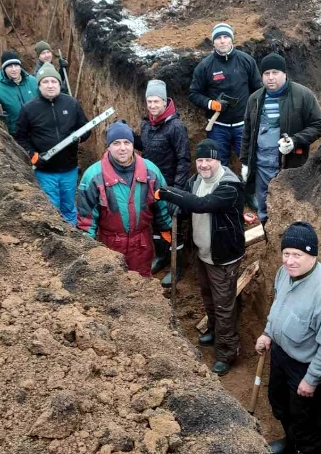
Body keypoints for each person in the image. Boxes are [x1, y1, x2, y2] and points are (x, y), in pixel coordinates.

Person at [254, 222, 321, 454]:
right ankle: (291, 443)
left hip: (305, 366)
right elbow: (278, 307)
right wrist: (267, 333)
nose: (289, 261)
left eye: (297, 254)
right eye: (286, 253)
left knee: (306, 422)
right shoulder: (284, 274)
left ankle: (305, 448)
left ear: (312, 255)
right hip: (281, 355)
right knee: (280, 405)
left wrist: (312, 379)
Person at [156, 139, 245, 375]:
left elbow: (203, 204)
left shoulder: (230, 186)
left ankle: (228, 352)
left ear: (219, 160)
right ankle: (215, 333)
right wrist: (179, 205)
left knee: (224, 306)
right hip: (202, 252)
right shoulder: (196, 180)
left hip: (223, 257)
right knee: (208, 298)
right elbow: (188, 195)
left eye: (209, 160)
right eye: (200, 160)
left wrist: (168, 195)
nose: (204, 165)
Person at [77, 122, 172, 277]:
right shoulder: (93, 176)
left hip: (141, 243)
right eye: (116, 143)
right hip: (109, 245)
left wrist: (166, 228)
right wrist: (87, 248)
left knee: (142, 285)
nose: (122, 148)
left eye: (127, 142)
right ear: (108, 146)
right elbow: (87, 219)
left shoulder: (150, 171)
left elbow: (161, 205)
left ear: (133, 144)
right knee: (113, 286)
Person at [241, 53, 321, 223]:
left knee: (290, 209)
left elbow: (318, 125)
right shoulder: (255, 99)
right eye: (266, 74)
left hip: (290, 165)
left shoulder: (303, 95)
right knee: (264, 209)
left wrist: (295, 141)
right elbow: (248, 132)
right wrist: (244, 162)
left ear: (284, 73)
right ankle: (269, 242)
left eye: (275, 72)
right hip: (261, 166)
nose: (271, 78)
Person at [15, 64, 89, 225]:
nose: (50, 85)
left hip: (69, 169)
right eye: (45, 82)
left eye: (53, 81)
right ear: (39, 85)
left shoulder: (71, 104)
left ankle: (73, 240)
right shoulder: (29, 109)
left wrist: (79, 137)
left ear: (59, 83)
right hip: (45, 171)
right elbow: (19, 138)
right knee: (52, 209)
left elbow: (86, 129)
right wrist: (33, 156)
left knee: (69, 207)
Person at [189, 23, 262, 167]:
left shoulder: (246, 61)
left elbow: (258, 90)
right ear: (213, 42)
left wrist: (254, 115)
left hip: (244, 125)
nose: (222, 41)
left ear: (232, 39)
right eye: (218, 38)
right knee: (218, 166)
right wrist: (211, 104)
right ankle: (224, 189)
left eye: (226, 37)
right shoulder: (205, 66)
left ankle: (250, 189)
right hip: (217, 127)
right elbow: (193, 93)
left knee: (249, 163)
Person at [141, 79, 191, 286]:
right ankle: (161, 256)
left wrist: (176, 193)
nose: (152, 106)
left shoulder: (176, 127)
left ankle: (178, 266)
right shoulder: (147, 125)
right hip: (151, 185)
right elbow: (145, 147)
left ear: (165, 101)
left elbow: (184, 159)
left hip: (170, 185)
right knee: (156, 226)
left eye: (156, 101)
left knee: (172, 229)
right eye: (149, 101)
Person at [0, 51, 38, 135]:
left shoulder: (33, 81)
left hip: (38, 130)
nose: (14, 69)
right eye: (10, 66)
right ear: (4, 68)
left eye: (16, 65)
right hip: (16, 135)